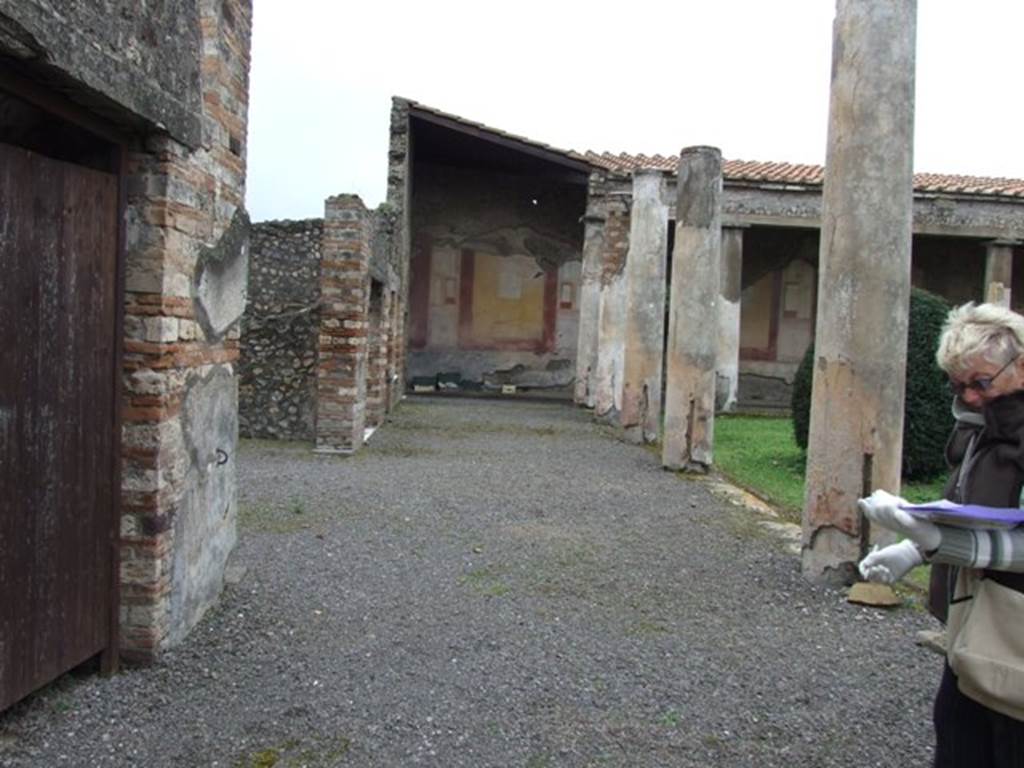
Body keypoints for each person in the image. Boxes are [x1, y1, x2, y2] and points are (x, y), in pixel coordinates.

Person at [858, 301, 1024, 768]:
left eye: (981, 383)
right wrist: (913, 548)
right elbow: (966, 506)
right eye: (957, 384)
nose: (969, 396)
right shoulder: (980, 427)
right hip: (974, 628)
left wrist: (936, 543)